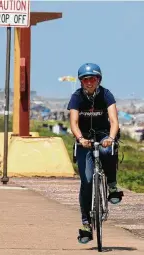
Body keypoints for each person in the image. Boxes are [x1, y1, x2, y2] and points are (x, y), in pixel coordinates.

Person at [67, 63, 124, 244]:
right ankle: (86, 224)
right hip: (84, 140)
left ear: (98, 80)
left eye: (93, 79)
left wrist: (112, 137)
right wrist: (80, 139)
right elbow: (74, 122)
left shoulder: (106, 95)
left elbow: (114, 121)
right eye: (86, 79)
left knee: (107, 151)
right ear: (81, 82)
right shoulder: (76, 97)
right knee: (87, 180)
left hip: (103, 135)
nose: (89, 82)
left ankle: (112, 186)